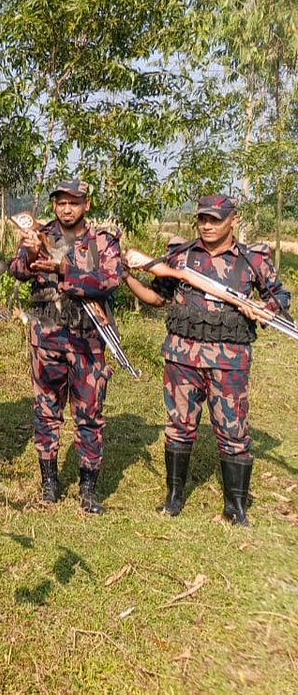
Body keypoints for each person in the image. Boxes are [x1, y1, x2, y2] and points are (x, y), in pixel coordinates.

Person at [123, 195, 290, 525]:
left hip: (229, 361)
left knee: (233, 431)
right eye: (202, 219)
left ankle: (235, 507)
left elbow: (279, 296)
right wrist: (125, 277)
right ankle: (173, 497)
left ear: (233, 220)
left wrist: (262, 309)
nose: (208, 225)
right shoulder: (180, 256)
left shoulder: (252, 259)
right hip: (182, 358)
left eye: (215, 219)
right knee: (179, 427)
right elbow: (157, 297)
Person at [9, 178, 122, 513]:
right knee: (46, 412)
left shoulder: (102, 241)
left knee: (89, 415)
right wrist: (30, 254)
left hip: (89, 342)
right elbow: (17, 271)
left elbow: (111, 280)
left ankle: (88, 489)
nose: (67, 208)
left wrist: (64, 268)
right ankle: (49, 483)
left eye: (74, 202)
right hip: (46, 339)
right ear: (54, 205)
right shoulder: (40, 235)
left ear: (86, 204)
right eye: (61, 202)